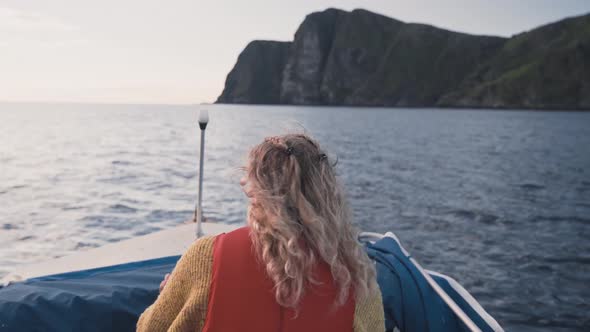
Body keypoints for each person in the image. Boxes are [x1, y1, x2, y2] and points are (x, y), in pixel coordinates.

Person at [137, 133, 385, 331]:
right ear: (328, 194)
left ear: (258, 193)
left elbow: (148, 329)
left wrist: (167, 296)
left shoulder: (206, 258)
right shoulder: (357, 278)